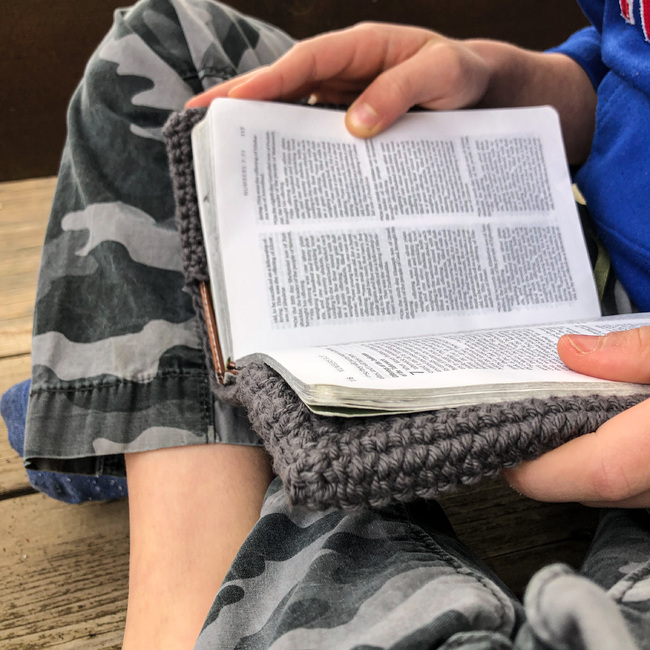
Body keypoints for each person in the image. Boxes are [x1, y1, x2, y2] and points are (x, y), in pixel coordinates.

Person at [16, 0, 650, 647]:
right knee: (167, 49)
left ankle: (212, 577)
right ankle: (195, 587)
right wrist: (512, 86)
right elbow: (622, 60)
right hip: (573, 262)